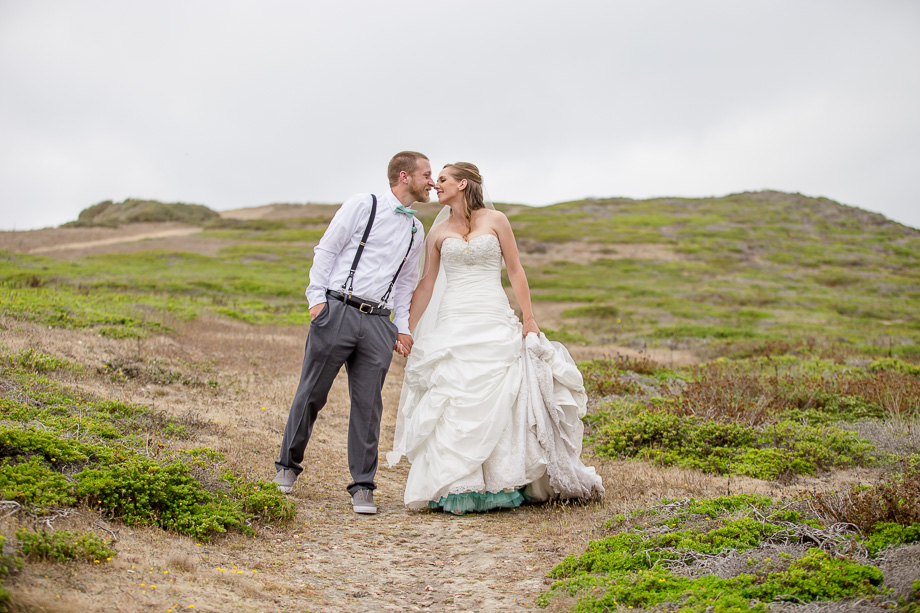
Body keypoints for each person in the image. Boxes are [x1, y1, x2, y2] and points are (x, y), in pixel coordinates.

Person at [387, 162, 604, 514]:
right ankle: (457, 484)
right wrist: (406, 327)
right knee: (455, 393)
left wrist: (528, 319)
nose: (436, 186)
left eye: (442, 180)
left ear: (463, 183)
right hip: (453, 320)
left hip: (492, 315)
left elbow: (516, 270)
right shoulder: (437, 232)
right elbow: (427, 283)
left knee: (503, 394)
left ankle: (505, 480)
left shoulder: (497, 220)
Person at [272, 151, 434, 515]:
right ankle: (286, 468)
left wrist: (403, 327)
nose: (432, 181)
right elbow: (327, 249)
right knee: (312, 394)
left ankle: (363, 486)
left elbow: (406, 284)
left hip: (378, 323)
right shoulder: (364, 204)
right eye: (426, 174)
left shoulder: (415, 229)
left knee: (369, 406)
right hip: (338, 310)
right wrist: (317, 301)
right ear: (405, 176)